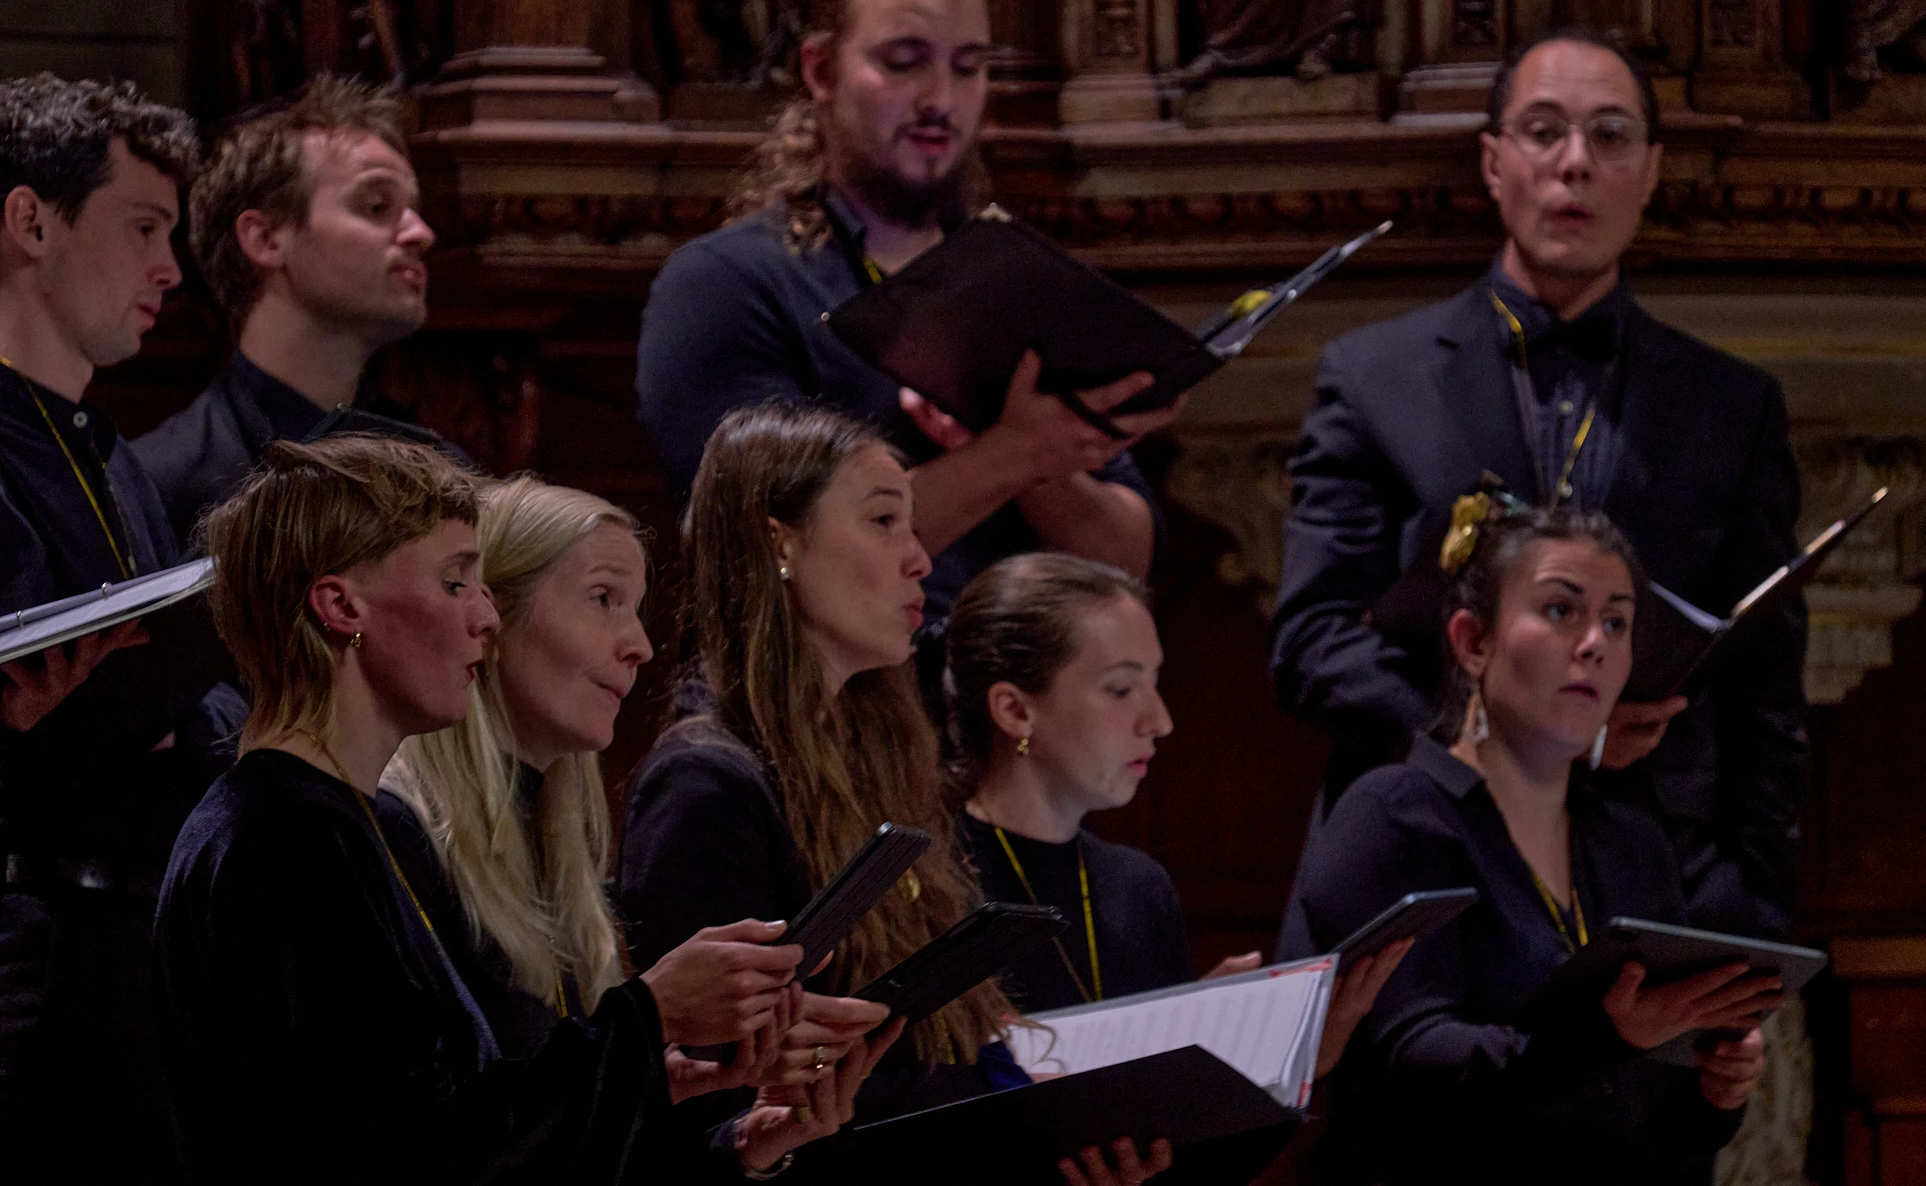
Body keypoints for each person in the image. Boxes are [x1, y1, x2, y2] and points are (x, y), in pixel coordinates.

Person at [155, 435, 881, 1183]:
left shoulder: (322, 820)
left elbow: (457, 1120)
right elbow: (422, 1154)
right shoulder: (288, 837)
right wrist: (647, 1017)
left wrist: (727, 1142)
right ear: (342, 606)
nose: (486, 617)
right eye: (454, 583)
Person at [1270, 27, 1808, 937]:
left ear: (1651, 168)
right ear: (1493, 162)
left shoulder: (1733, 403)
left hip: (1659, 873)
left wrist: (1757, 916)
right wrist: (1510, 731)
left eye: (1610, 135)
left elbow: (1767, 691)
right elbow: (1311, 643)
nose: (1575, 163)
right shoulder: (1375, 378)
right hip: (1424, 854)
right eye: (1544, 130)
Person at [619, 402, 1171, 1185]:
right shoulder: (708, 783)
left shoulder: (877, 763)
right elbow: (705, 1111)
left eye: (913, 527)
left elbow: (926, 1049)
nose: (919, 559)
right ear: (780, 543)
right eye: (883, 521)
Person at [635, 0, 1178, 633]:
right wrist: (1012, 452)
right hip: (834, 693)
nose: (940, 99)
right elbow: (772, 558)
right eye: (903, 62)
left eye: (968, 66)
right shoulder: (726, 284)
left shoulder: (1010, 276)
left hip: (1019, 686)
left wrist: (1043, 463)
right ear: (820, 70)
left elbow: (1125, 558)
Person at [378, 473, 893, 1174]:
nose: (640, 646)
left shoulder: (555, 854)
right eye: (603, 599)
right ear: (492, 613)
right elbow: (438, 1146)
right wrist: (650, 1014)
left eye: (637, 609)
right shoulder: (397, 837)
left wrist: (743, 1150)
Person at [1279, 504, 1780, 1185]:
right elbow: (1412, 1066)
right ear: (1472, 642)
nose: (1594, 643)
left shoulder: (1631, 842)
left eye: (1616, 623)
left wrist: (1714, 1091)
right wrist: (1605, 1037)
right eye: (1559, 610)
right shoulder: (1396, 814)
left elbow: (1644, 1129)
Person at [946, 551, 1412, 1182]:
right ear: (1015, 710)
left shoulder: (1138, 887)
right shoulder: (932, 887)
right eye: (1121, 689)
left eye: (1156, 683)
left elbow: (1186, 1166)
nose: (1160, 721)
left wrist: (1297, 1060)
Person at [0, 72, 223, 1181]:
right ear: (31, 222)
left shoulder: (111, 454)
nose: (169, 269)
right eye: (143, 228)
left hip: (120, 953)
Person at [133, 74, 447, 547]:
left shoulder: (441, 470)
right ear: (265, 239)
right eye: (377, 205)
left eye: (414, 209)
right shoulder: (159, 484)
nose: (421, 233)